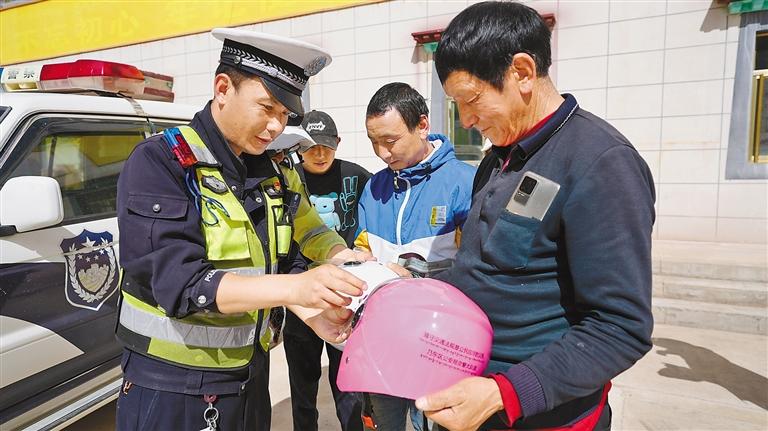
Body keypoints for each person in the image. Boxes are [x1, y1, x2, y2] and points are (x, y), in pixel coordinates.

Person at [405, 2, 655, 430]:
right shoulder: (497, 158)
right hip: (472, 396)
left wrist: (506, 394)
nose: (466, 120)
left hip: (542, 415)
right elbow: (486, 271)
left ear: (521, 72)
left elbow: (620, 327)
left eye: (471, 100)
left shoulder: (601, 162)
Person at [114, 28, 370, 431]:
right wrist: (296, 290)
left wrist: (320, 301)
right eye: (266, 108)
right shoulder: (161, 163)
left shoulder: (268, 169)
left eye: (284, 115)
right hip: (174, 386)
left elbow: (291, 248)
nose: (275, 126)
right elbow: (182, 284)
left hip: (249, 375)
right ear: (222, 89)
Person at [354, 82, 476, 431]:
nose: (382, 153)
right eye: (373, 141)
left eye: (390, 140)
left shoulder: (464, 182)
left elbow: (478, 271)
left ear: (422, 125)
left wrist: (415, 279)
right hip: (382, 344)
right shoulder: (374, 187)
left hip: (440, 346)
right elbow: (363, 247)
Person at [282, 110, 371, 431]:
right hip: (300, 292)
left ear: (338, 143)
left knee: (347, 380)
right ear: (298, 148)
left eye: (326, 147)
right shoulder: (286, 177)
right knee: (302, 382)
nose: (319, 155)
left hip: (345, 292)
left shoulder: (357, 176)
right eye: (311, 148)